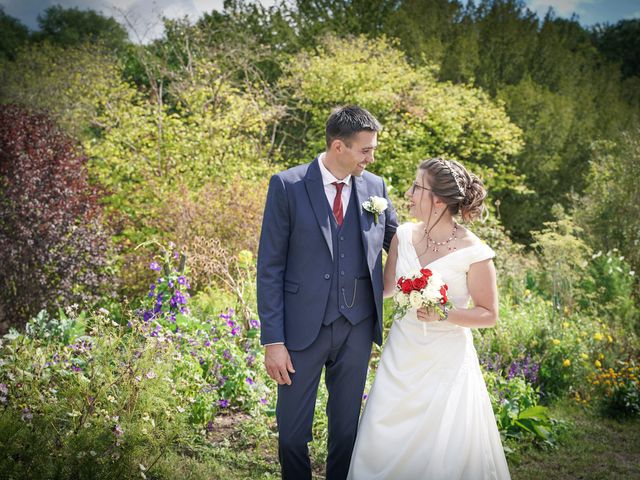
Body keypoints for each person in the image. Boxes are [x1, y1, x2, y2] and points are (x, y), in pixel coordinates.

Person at [257, 105, 399, 480]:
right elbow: (269, 267)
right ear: (339, 147)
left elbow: (401, 241)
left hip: (356, 327)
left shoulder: (375, 188)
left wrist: (449, 238)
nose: (372, 157)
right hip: (302, 332)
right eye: (365, 150)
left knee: (347, 433)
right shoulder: (287, 185)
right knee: (290, 435)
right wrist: (273, 340)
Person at [347, 157, 511, 480]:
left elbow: (489, 314)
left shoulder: (475, 252)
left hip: (446, 362)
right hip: (402, 356)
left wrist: (444, 312)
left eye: (417, 187)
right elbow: (386, 288)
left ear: (438, 200)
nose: (409, 193)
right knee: (383, 431)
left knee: (441, 448)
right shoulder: (403, 236)